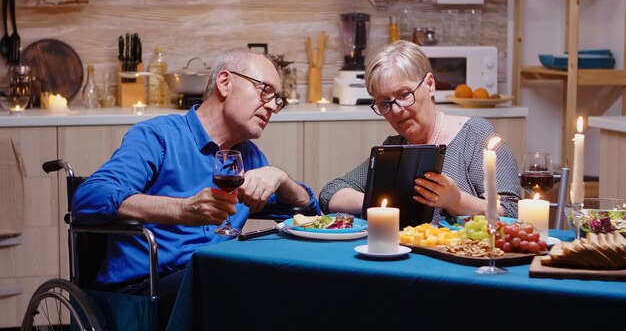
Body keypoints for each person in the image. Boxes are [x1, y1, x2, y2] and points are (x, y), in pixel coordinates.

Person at [72, 48, 319, 329]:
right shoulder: (158, 137)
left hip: (212, 278)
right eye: (265, 91)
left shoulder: (250, 158)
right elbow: (89, 197)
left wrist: (280, 177)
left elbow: (307, 210)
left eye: (278, 99)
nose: (273, 106)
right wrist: (181, 209)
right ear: (225, 82)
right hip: (145, 289)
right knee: (235, 283)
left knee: (280, 280)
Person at [319, 40, 520, 223]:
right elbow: (330, 194)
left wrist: (456, 201)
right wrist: (381, 201)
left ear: (430, 85)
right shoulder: (394, 148)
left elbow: (513, 212)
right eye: (384, 103)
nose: (396, 109)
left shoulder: (475, 135)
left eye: (404, 94)